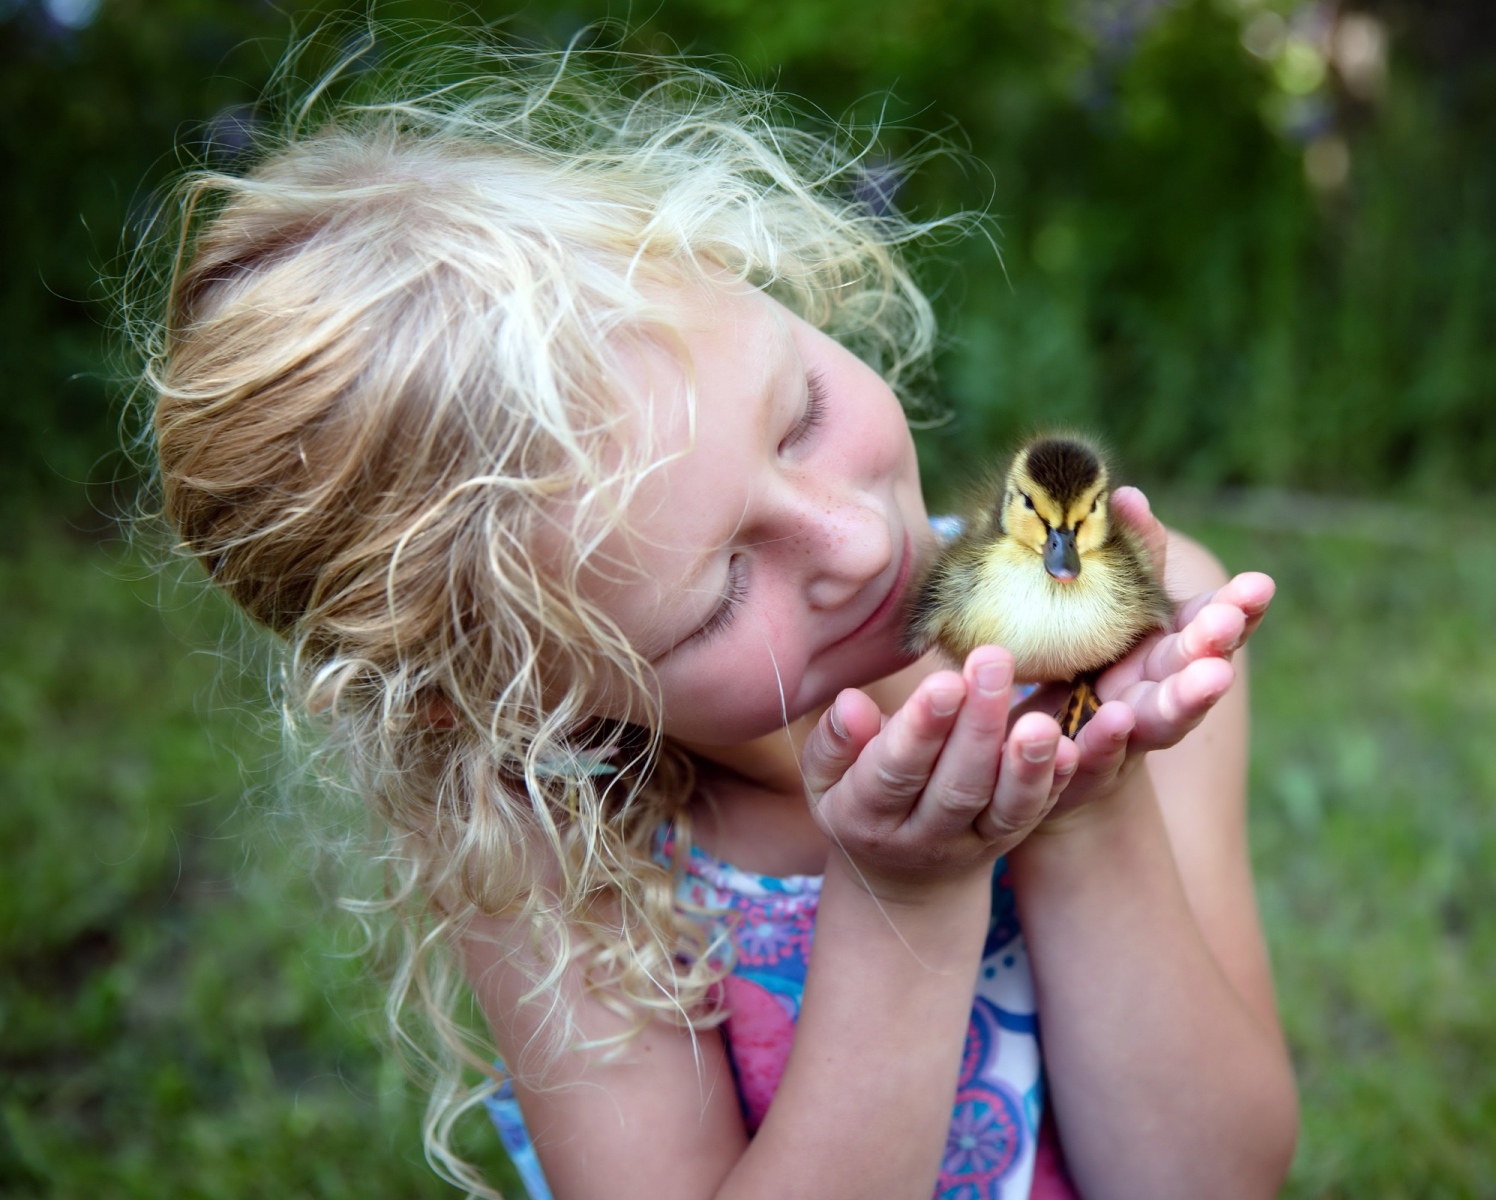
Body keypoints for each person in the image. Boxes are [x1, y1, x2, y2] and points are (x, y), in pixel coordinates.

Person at [134, 39, 1297, 1200]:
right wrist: (909, 898)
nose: (854, 544)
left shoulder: (1132, 631)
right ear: (519, 698)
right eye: (722, 594)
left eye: (799, 415)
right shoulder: (547, 850)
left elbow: (1213, 1179)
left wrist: (1086, 814)